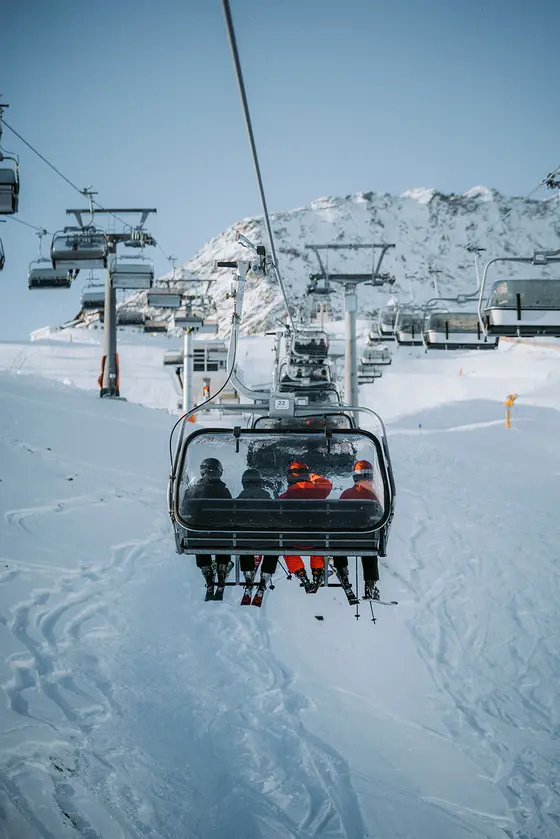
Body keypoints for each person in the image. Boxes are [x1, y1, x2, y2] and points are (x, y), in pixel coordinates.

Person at [182, 457, 232, 597]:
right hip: (222, 539)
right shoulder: (224, 492)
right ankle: (222, 570)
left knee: (198, 537)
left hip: (199, 538)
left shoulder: (193, 491)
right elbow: (231, 514)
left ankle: (208, 574)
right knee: (223, 538)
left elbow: (185, 510)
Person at [279, 461, 332, 593]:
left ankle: (300, 573)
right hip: (316, 540)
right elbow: (327, 484)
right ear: (306, 475)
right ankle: (317, 572)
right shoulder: (319, 492)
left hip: (293, 541)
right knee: (319, 539)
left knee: (285, 543)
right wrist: (311, 475)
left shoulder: (284, 497)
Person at [335, 459, 382, 600]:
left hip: (343, 541)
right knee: (370, 548)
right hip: (365, 540)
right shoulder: (373, 496)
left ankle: (343, 574)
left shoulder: (346, 495)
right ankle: (370, 586)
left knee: (337, 544)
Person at [236, 468, 278, 592]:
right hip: (267, 542)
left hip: (245, 541)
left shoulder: (237, 502)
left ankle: (248, 576)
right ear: (260, 483)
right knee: (274, 547)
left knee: (243, 542)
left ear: (244, 484)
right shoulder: (268, 500)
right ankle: (265, 576)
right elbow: (277, 519)